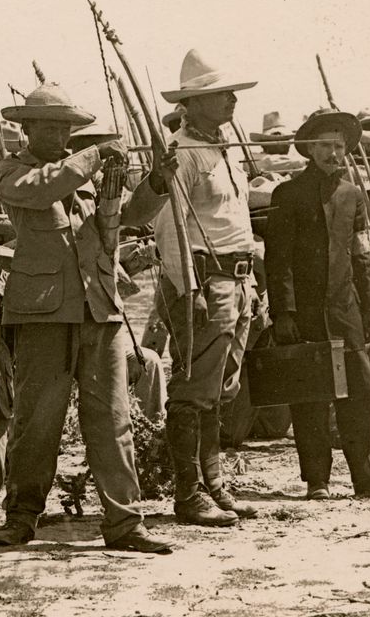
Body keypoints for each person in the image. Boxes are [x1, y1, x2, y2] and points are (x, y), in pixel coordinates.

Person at [0, 83, 173, 553]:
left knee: (113, 419)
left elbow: (123, 219)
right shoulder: (14, 170)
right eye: (47, 125)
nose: (57, 133)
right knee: (36, 422)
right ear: (25, 128)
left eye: (64, 126)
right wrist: (92, 157)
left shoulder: (82, 177)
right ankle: (22, 516)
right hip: (42, 311)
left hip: (99, 306)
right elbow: (39, 190)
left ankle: (125, 523)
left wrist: (156, 184)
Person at [265, 110, 370, 499]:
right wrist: (284, 313)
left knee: (362, 394)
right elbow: (278, 259)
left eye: (340, 147)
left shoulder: (353, 195)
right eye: (325, 145)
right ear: (309, 148)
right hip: (303, 313)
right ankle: (317, 481)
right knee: (311, 395)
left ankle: (367, 478)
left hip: (346, 311)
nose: (333, 154)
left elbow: (362, 255)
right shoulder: (287, 195)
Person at [154, 49, 260, 526]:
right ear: (192, 103)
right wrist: (189, 289)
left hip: (236, 282)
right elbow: (169, 229)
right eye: (219, 94)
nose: (231, 101)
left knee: (219, 390)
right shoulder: (182, 153)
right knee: (194, 389)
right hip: (205, 282)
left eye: (231, 93)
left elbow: (235, 224)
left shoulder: (223, 151)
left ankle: (215, 486)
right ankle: (188, 494)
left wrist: (251, 285)